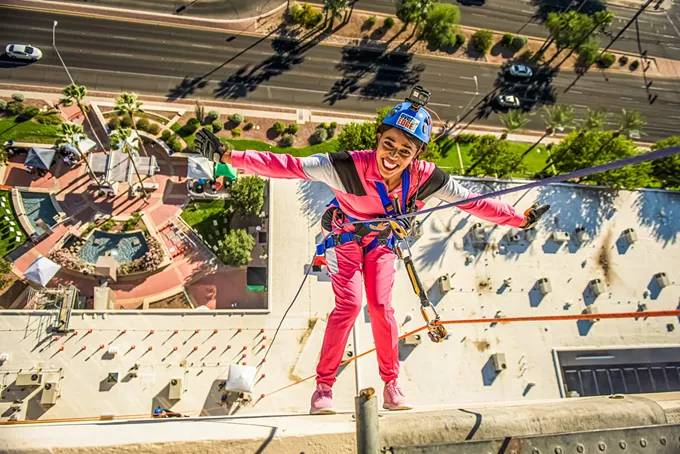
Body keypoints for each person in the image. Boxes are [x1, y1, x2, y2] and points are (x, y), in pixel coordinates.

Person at [202, 87, 548, 415]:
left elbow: (472, 202)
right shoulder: (347, 167)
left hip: (382, 242)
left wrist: (519, 219)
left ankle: (391, 385)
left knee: (382, 307)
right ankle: (323, 389)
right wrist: (228, 156)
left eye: (404, 151)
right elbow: (289, 165)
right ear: (378, 140)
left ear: (416, 156)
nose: (392, 156)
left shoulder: (427, 178)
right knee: (349, 306)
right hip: (344, 237)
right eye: (389, 144)